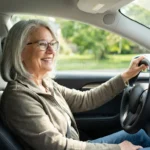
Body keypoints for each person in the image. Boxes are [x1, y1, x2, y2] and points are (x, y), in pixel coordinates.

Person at [0, 19, 149, 150]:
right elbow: (56, 145)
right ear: (19, 51)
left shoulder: (44, 83)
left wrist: (127, 75)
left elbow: (85, 99)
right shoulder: (19, 97)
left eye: (53, 43)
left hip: (73, 145)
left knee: (139, 135)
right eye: (42, 44)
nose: (51, 51)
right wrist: (117, 148)